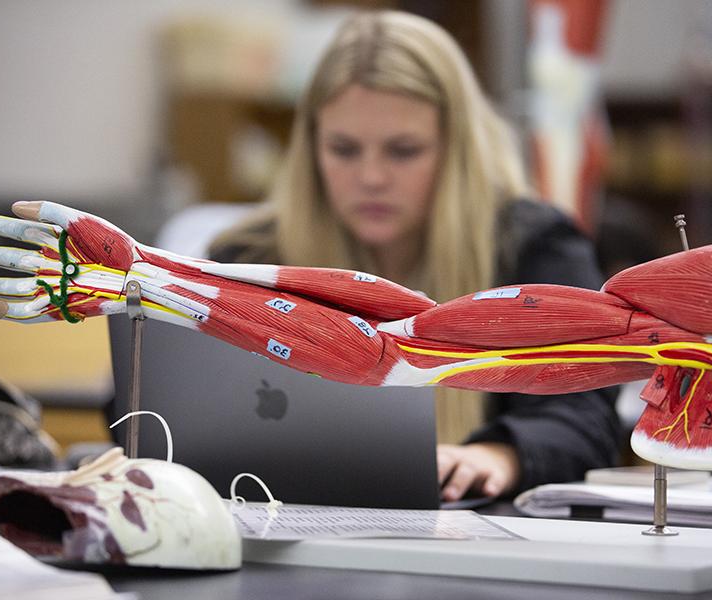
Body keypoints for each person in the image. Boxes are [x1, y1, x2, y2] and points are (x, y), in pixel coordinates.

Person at [208, 10, 622, 502]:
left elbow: (584, 417)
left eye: (403, 151)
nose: (372, 177)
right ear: (310, 147)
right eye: (343, 149)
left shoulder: (535, 248)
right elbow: (156, 401)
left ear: (456, 149)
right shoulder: (249, 258)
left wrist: (500, 455)